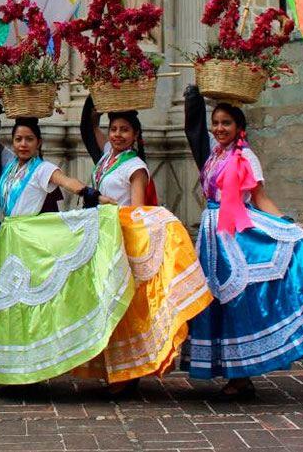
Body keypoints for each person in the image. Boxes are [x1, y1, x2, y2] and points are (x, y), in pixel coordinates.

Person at [184, 85, 303, 399]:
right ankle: (235, 375)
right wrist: (193, 97)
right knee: (215, 302)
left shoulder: (245, 157)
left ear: (238, 127)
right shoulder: (214, 155)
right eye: (216, 123)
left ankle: (242, 373)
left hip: (236, 233)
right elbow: (191, 129)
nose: (219, 128)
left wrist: (287, 224)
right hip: (212, 236)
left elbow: (259, 197)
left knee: (238, 301)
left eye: (226, 123)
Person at [0, 106, 132, 386]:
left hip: (29, 243)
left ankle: (31, 368)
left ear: (39, 143)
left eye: (29, 140)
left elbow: (67, 182)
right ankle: (10, 368)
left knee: (27, 302)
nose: (23, 144)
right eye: (19, 139)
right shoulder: (10, 167)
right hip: (9, 238)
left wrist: (91, 193)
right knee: (6, 303)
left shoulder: (42, 169)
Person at [71, 97, 211, 396]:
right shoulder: (107, 157)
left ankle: (128, 371)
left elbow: (138, 209)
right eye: (114, 129)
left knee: (122, 305)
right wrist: (98, 91)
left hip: (123, 238)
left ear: (136, 136)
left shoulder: (135, 167)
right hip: (103, 235)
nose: (117, 135)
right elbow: (89, 125)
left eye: (124, 130)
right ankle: (113, 367)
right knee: (104, 302)